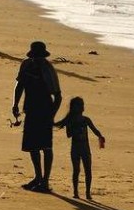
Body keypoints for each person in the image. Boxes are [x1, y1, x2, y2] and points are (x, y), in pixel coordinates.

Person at [13, 41, 62, 192]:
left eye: (39, 57)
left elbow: (58, 96)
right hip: (30, 110)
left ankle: (45, 181)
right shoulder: (26, 65)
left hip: (44, 111)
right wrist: (15, 104)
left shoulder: (48, 69)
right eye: (35, 57)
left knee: (46, 147)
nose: (37, 60)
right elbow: (19, 85)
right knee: (32, 147)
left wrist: (51, 115)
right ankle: (38, 177)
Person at [55, 96, 105, 199]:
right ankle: (76, 192)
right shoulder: (70, 121)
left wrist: (100, 136)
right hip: (76, 149)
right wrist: (76, 130)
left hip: (85, 149)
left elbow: (94, 130)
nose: (83, 107)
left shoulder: (86, 119)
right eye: (81, 105)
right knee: (76, 170)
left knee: (88, 171)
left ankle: (87, 193)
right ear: (75, 108)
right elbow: (68, 135)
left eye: (83, 105)